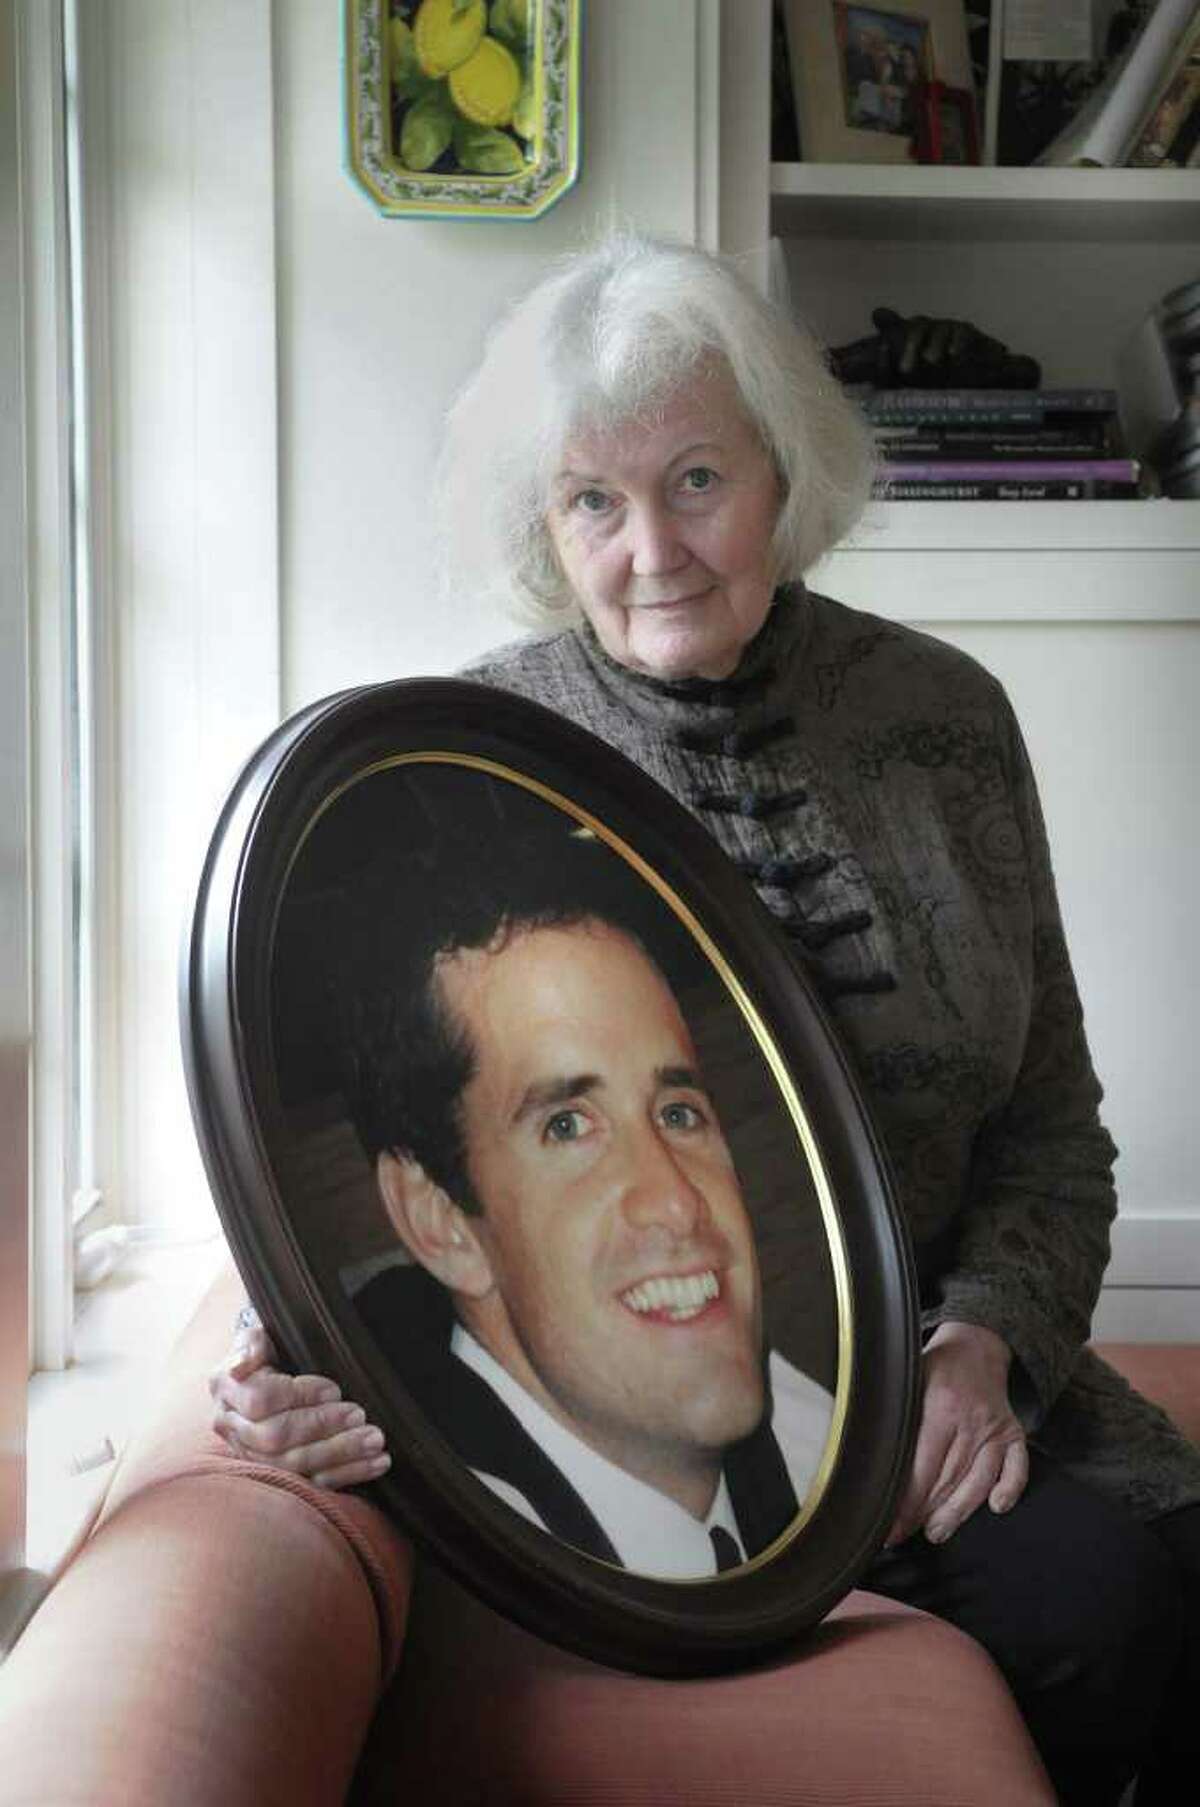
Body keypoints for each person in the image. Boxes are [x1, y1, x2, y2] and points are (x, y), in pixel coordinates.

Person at [212, 232, 1200, 1804]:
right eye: (592, 501)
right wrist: (290, 1349)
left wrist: (985, 1349)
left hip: (941, 1408)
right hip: (646, 1438)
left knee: (1135, 1599)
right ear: (544, 525)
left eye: (694, 480)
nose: (651, 548)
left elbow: (1052, 1121)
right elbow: (372, 1131)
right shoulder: (467, 761)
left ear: (782, 477)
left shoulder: (949, 721)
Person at [320, 833, 833, 1578]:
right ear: (440, 1221)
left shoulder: (798, 1425)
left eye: (679, 1111)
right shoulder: (432, 1548)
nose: (678, 1202)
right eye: (567, 1125)